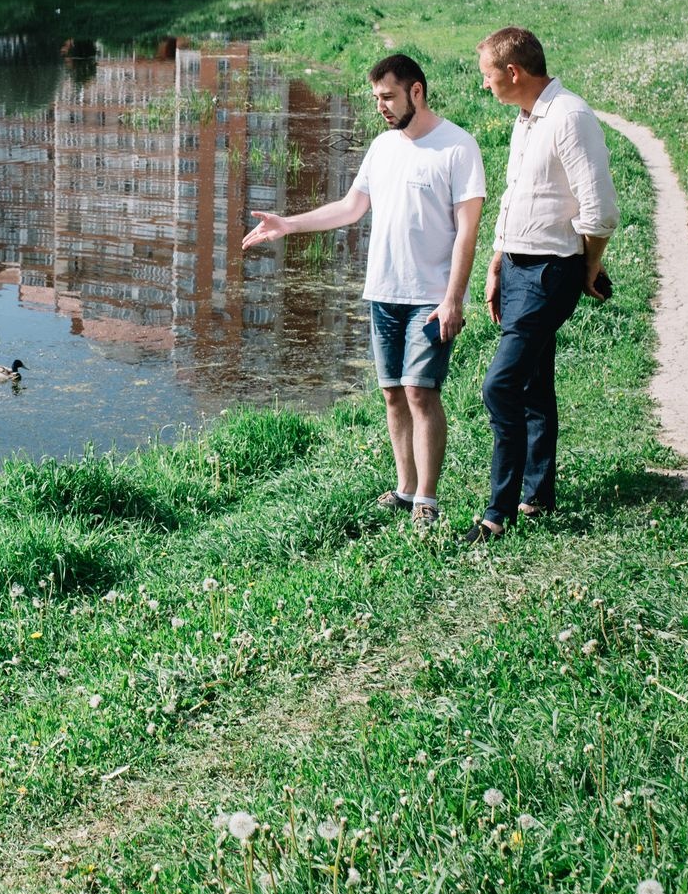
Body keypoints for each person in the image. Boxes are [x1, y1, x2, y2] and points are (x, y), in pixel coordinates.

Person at [242, 53, 485, 532]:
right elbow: (351, 208)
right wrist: (288, 224)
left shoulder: (458, 147)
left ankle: (428, 501)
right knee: (393, 394)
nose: (382, 107)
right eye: (376, 99)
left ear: (417, 91)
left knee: (421, 391)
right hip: (384, 292)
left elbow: (467, 232)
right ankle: (404, 490)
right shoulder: (383, 147)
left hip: (430, 297)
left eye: (389, 97)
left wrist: (454, 297)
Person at [465, 27, 618, 543]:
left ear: (513, 73)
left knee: (499, 385)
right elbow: (515, 198)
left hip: (552, 269)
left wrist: (588, 270)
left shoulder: (571, 117)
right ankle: (538, 495)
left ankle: (497, 512)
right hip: (515, 267)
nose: (484, 86)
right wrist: (495, 264)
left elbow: (600, 212)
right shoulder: (525, 120)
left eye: (488, 76)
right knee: (531, 384)